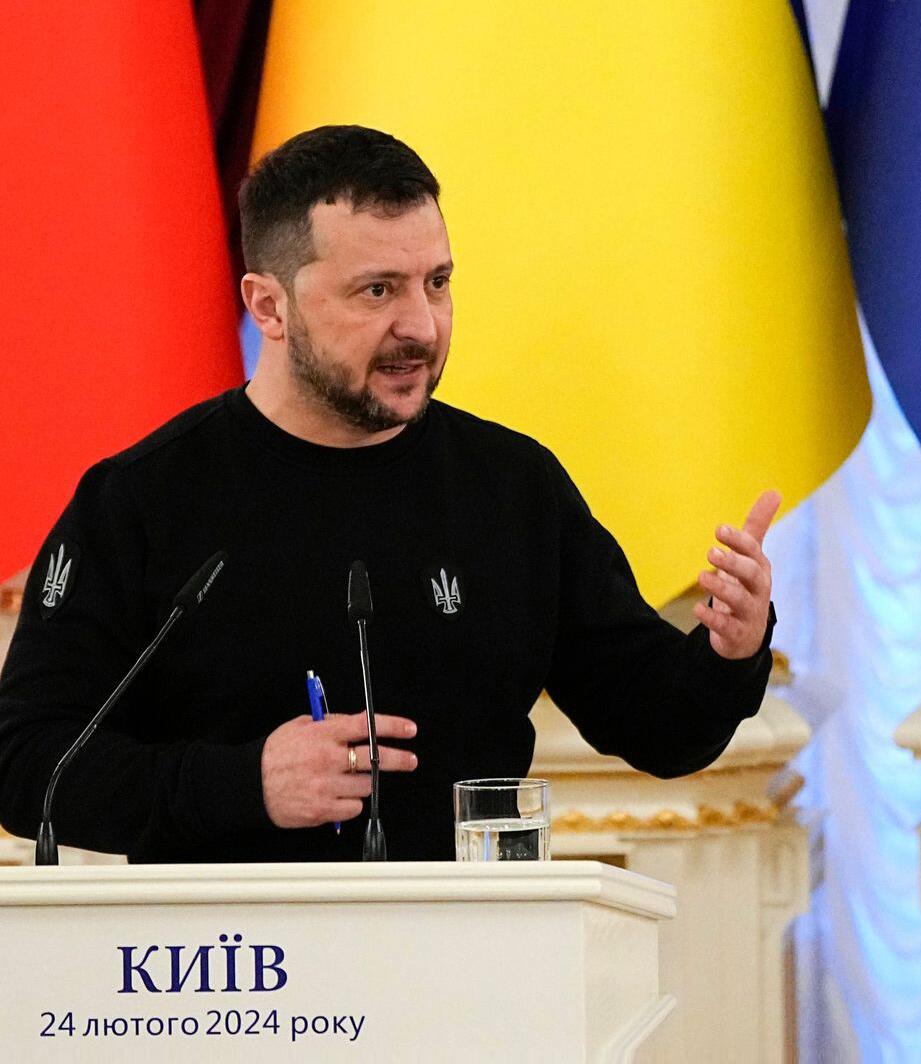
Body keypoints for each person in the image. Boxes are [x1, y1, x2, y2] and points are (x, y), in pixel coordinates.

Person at [0, 125, 780, 863]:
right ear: (269, 307)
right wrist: (243, 784)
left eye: (437, 283)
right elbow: (25, 764)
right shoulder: (142, 500)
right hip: (230, 957)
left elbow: (659, 729)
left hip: (470, 947)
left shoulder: (512, 488)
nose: (422, 326)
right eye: (377, 291)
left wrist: (728, 652)